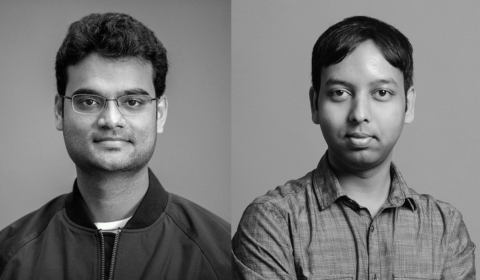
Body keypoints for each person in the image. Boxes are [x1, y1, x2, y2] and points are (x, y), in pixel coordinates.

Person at [232, 16, 475, 279]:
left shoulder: (444, 226)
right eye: (340, 93)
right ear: (315, 104)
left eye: (381, 93)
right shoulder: (273, 220)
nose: (359, 114)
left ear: (408, 104)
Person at [0, 13, 230, 279]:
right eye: (88, 101)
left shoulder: (222, 255)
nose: (111, 120)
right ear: (59, 112)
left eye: (132, 101)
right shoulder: (9, 256)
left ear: (160, 114)